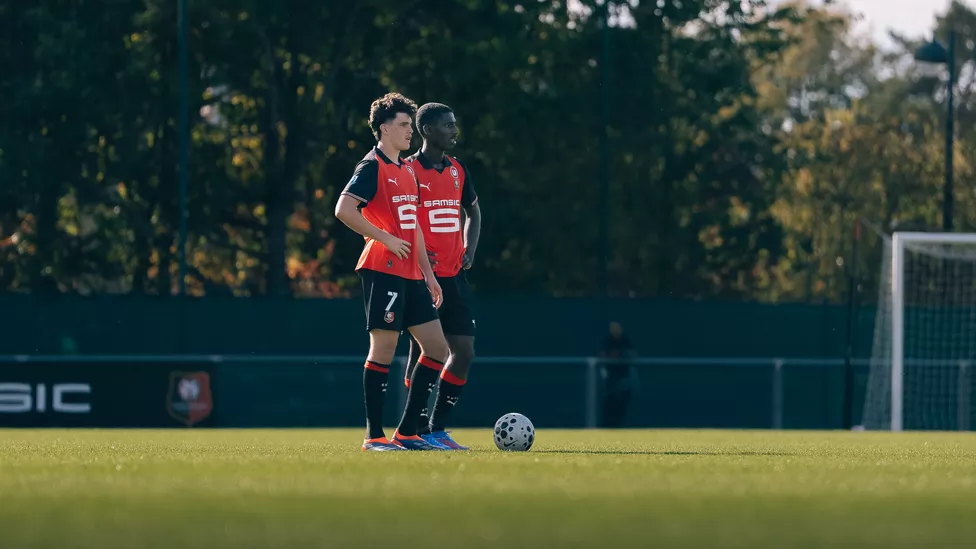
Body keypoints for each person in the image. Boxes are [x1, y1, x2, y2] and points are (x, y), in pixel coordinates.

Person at [334, 92, 451, 451]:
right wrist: (384, 237)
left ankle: (407, 433)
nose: (409, 132)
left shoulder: (406, 170)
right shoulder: (372, 166)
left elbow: (413, 225)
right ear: (384, 129)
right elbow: (344, 209)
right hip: (382, 268)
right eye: (402, 125)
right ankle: (374, 437)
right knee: (383, 349)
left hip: (412, 274)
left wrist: (429, 275)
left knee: (437, 349)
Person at [401, 102, 481, 450]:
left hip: (453, 278)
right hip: (419, 278)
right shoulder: (407, 170)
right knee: (424, 352)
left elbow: (473, 212)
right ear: (428, 131)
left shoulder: (458, 170)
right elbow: (399, 215)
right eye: (447, 125)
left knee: (463, 351)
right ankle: (416, 428)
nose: (454, 131)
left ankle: (437, 428)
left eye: (454, 124)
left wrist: (470, 247)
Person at [600, 321, 636, 428]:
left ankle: (621, 426)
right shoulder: (607, 340)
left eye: (617, 328)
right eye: (613, 328)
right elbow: (603, 355)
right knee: (610, 405)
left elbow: (632, 355)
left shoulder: (625, 340)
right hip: (610, 379)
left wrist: (621, 355)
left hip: (624, 378)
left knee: (622, 406)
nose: (615, 330)